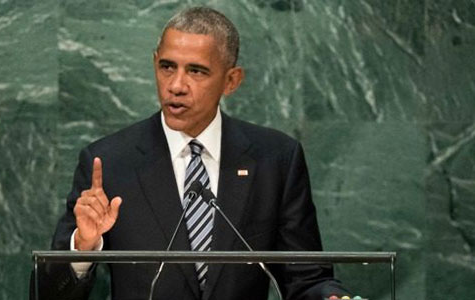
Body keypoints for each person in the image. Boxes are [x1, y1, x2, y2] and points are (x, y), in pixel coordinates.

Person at [36, 6, 349, 300]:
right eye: (167, 67)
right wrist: (84, 249)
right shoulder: (110, 162)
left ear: (231, 80)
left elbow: (307, 278)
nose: (176, 85)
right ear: (154, 62)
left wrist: (332, 298)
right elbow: (48, 293)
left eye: (197, 71)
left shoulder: (276, 159)